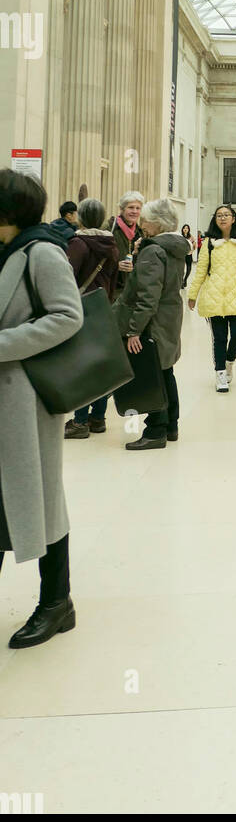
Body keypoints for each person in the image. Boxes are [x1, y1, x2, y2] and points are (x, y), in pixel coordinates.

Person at [0, 168, 83, 649]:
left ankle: (57, 602)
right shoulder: (6, 252)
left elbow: (68, 317)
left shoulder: (41, 251)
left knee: (44, 499)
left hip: (25, 399)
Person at [114, 198, 187, 450]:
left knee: (152, 374)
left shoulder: (153, 251)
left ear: (157, 223)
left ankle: (155, 429)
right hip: (169, 316)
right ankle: (171, 425)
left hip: (153, 322)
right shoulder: (173, 248)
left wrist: (134, 330)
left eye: (145, 220)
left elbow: (147, 296)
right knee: (165, 370)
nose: (142, 224)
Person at [64, 198, 120, 439]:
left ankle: (79, 421)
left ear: (82, 217)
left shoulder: (79, 243)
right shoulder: (111, 244)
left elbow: (66, 275)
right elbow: (116, 277)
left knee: (81, 366)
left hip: (81, 307)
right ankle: (98, 418)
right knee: (99, 365)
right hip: (103, 306)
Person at [187, 204, 236, 392]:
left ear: (233, 219)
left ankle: (229, 361)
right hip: (213, 296)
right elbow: (201, 270)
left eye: (226, 215)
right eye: (219, 215)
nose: (222, 218)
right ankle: (221, 373)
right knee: (219, 338)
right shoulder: (208, 242)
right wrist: (193, 295)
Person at [110, 192, 145, 299]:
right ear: (122, 209)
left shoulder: (141, 233)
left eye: (138, 208)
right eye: (131, 207)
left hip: (131, 292)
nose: (135, 211)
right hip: (112, 290)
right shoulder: (109, 229)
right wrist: (116, 265)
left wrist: (135, 255)